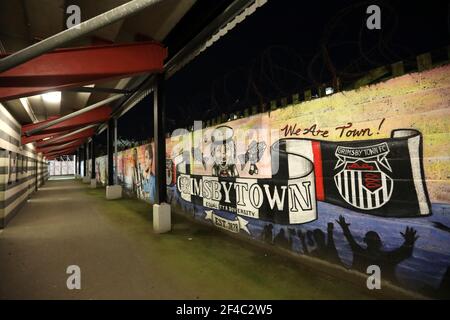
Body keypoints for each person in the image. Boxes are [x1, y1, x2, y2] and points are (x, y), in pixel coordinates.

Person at [336, 215, 419, 282]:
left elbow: (350, 240)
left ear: (365, 241)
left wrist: (344, 227)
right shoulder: (387, 257)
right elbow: (404, 252)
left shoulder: (360, 252)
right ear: (380, 242)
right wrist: (408, 242)